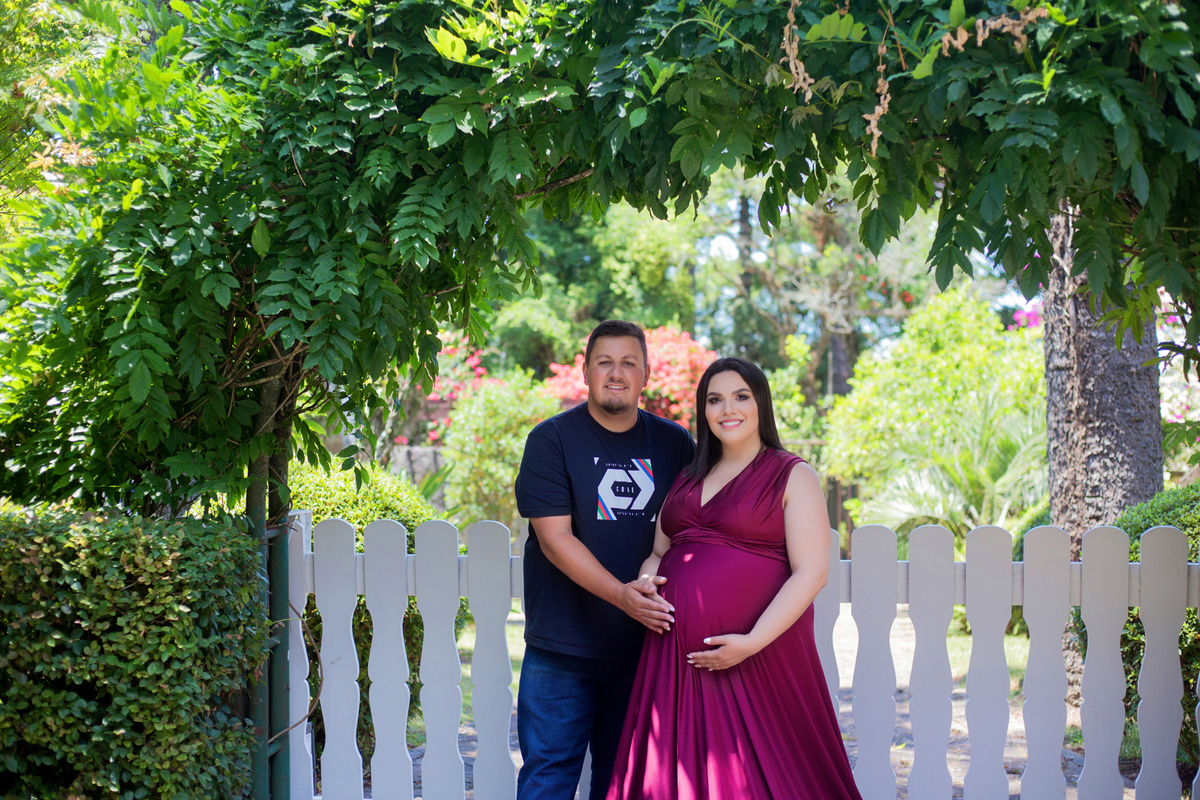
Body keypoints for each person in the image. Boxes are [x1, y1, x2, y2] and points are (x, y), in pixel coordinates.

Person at [605, 357, 862, 800]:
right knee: (673, 771)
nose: (728, 408)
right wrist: (647, 582)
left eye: (741, 396)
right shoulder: (687, 478)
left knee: (764, 772)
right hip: (674, 655)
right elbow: (659, 552)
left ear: (760, 403)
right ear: (703, 412)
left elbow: (813, 572)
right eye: (715, 399)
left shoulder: (792, 474)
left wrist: (752, 641)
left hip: (760, 652)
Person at [514, 320, 697, 800]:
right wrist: (623, 596)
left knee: (625, 784)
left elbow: (696, 527)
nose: (616, 373)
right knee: (548, 779)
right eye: (605, 362)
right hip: (562, 649)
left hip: (646, 651)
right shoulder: (551, 440)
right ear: (586, 371)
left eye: (628, 363)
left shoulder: (675, 444)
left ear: (646, 374)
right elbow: (555, 540)